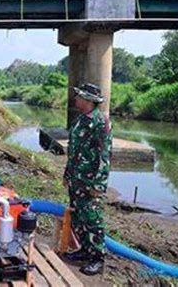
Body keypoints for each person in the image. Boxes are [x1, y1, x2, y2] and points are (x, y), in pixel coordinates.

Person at [62, 83, 112, 276]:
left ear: (89, 100)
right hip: (76, 179)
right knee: (77, 215)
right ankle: (84, 250)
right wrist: (67, 175)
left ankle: (97, 258)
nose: (76, 99)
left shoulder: (101, 122)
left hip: (90, 182)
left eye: (79, 96)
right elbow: (73, 151)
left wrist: (98, 185)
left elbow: (104, 156)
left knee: (92, 219)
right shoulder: (80, 120)